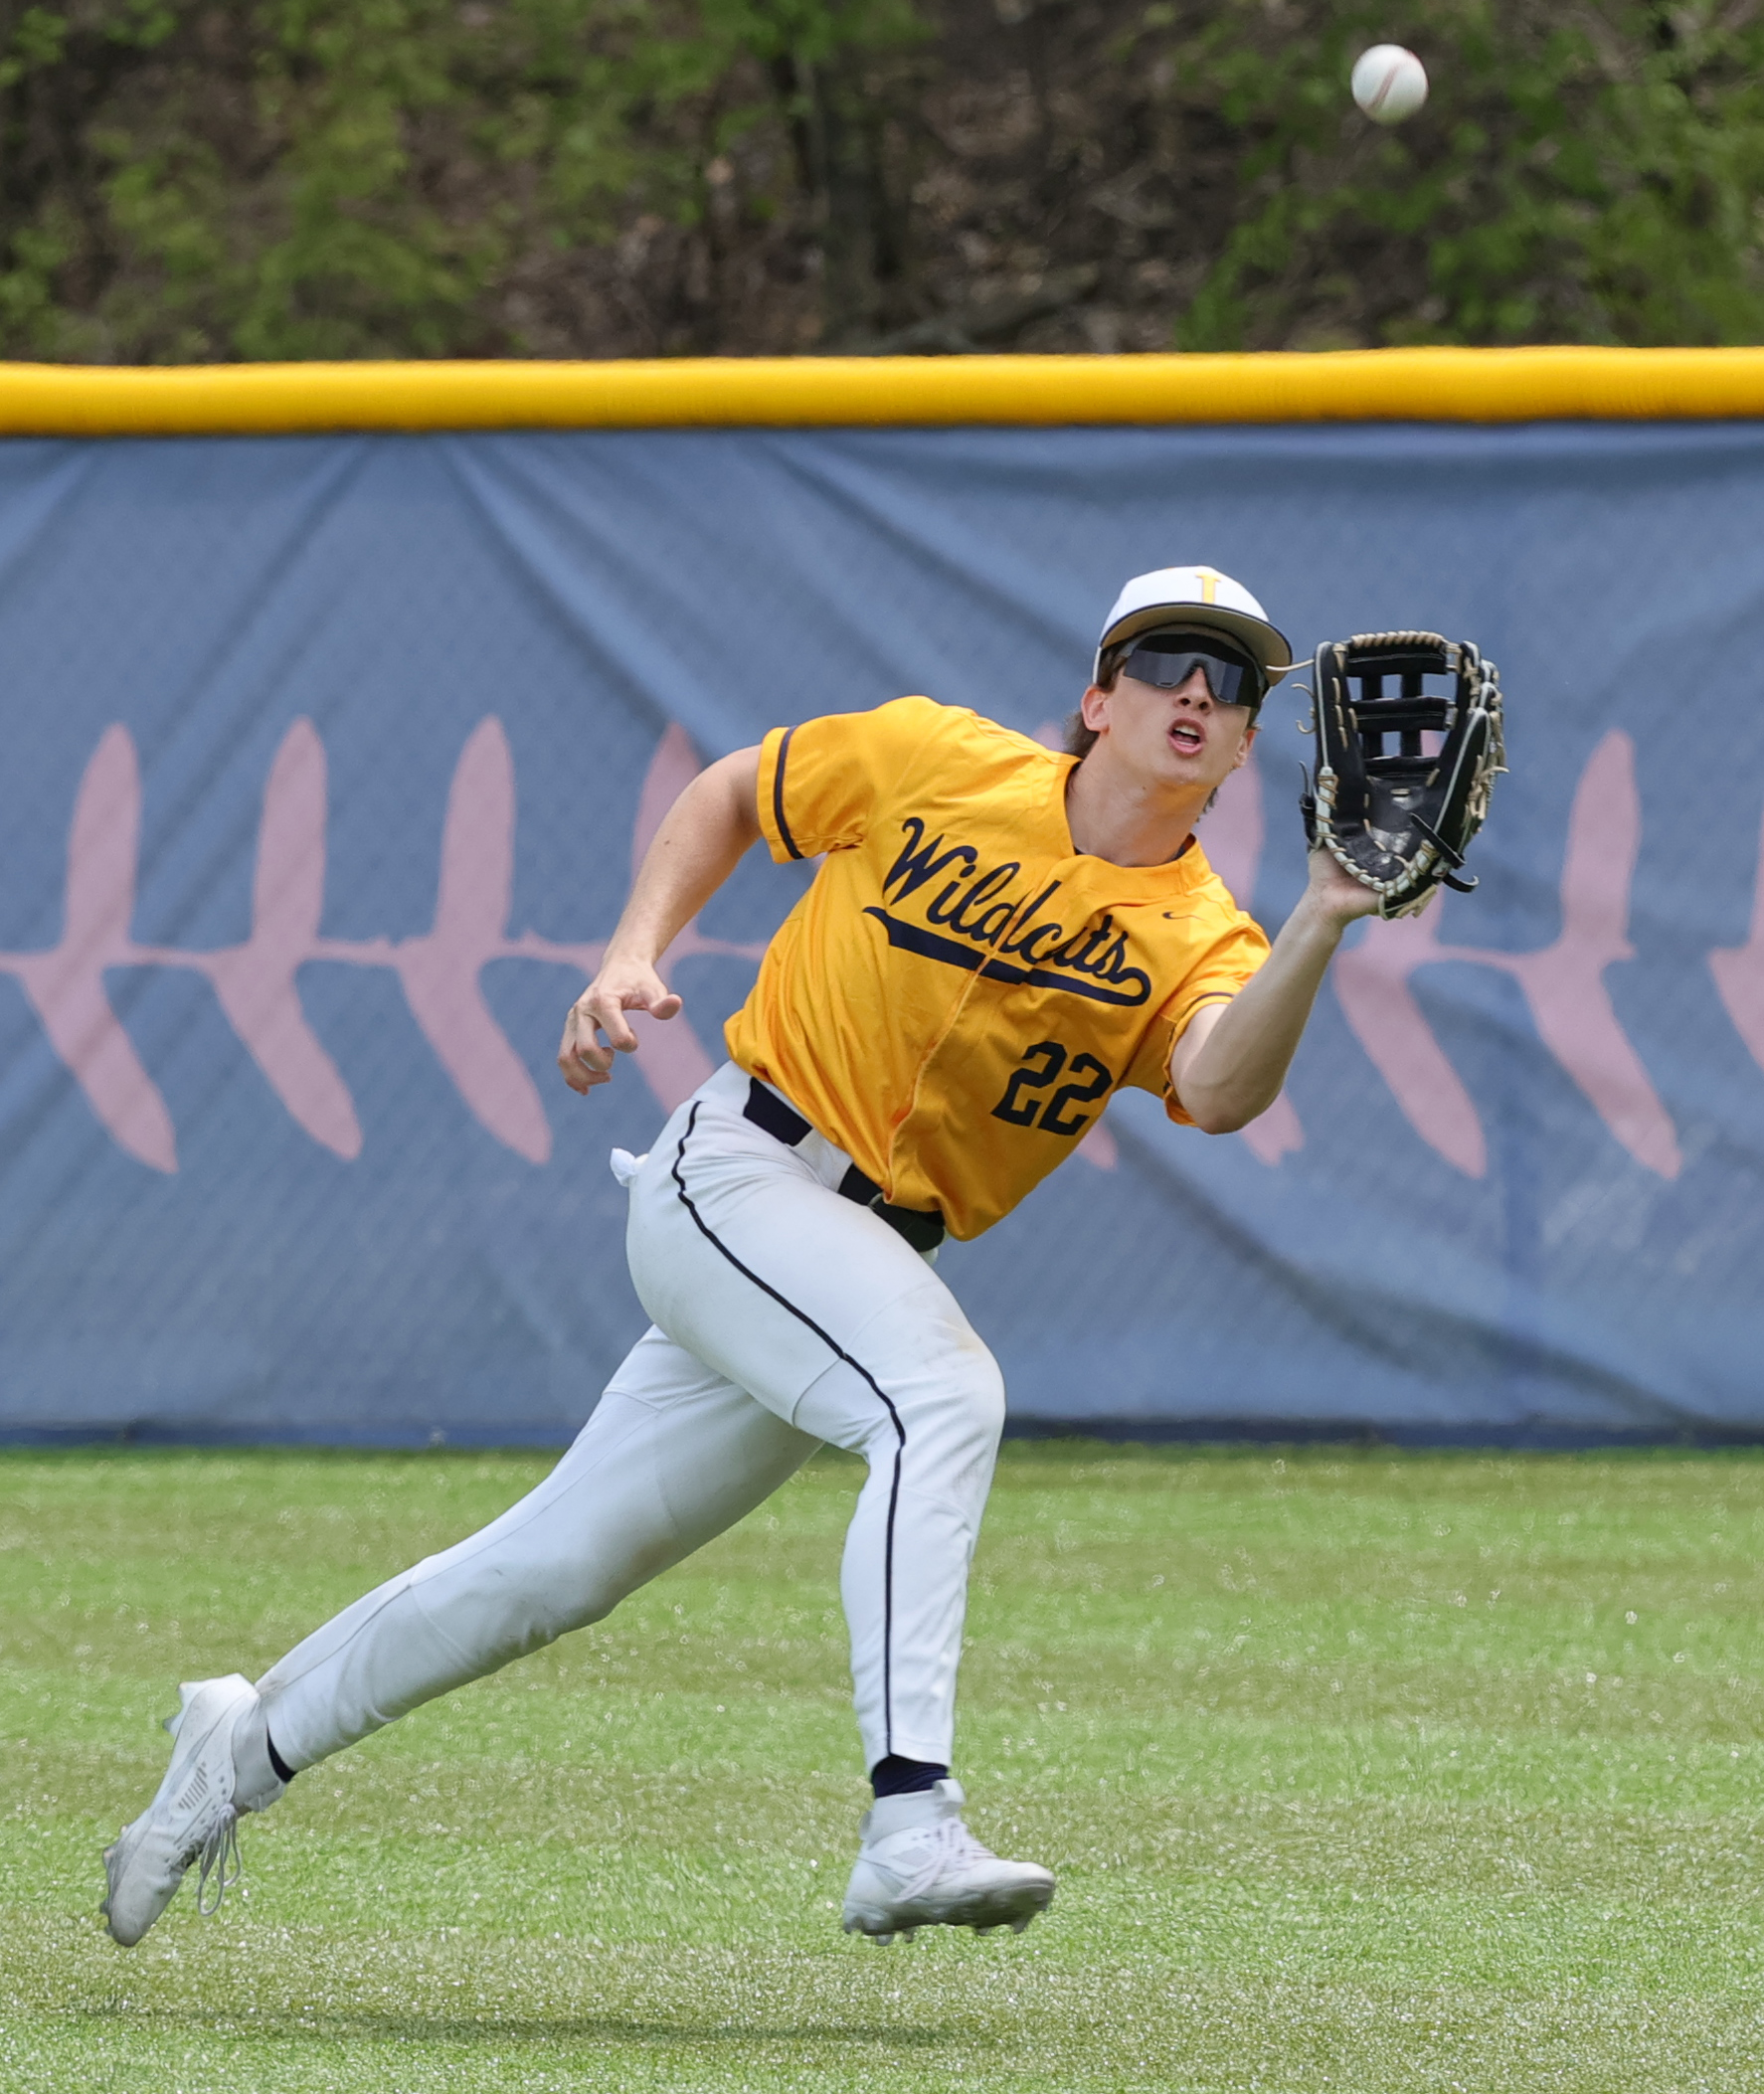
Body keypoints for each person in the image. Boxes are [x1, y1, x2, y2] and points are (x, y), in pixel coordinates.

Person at [100, 565, 1380, 1951]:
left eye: (1232, 676)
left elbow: (1222, 1081)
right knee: (942, 1396)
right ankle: (910, 1819)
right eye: (1164, 659)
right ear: (1094, 697)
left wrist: (1317, 918)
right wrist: (629, 953)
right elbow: (729, 792)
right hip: (738, 1172)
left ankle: (228, 1754)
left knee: (554, 1569)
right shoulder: (934, 757)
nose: (1196, 689)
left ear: (1250, 738)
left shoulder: (1205, 932)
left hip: (849, 1261)